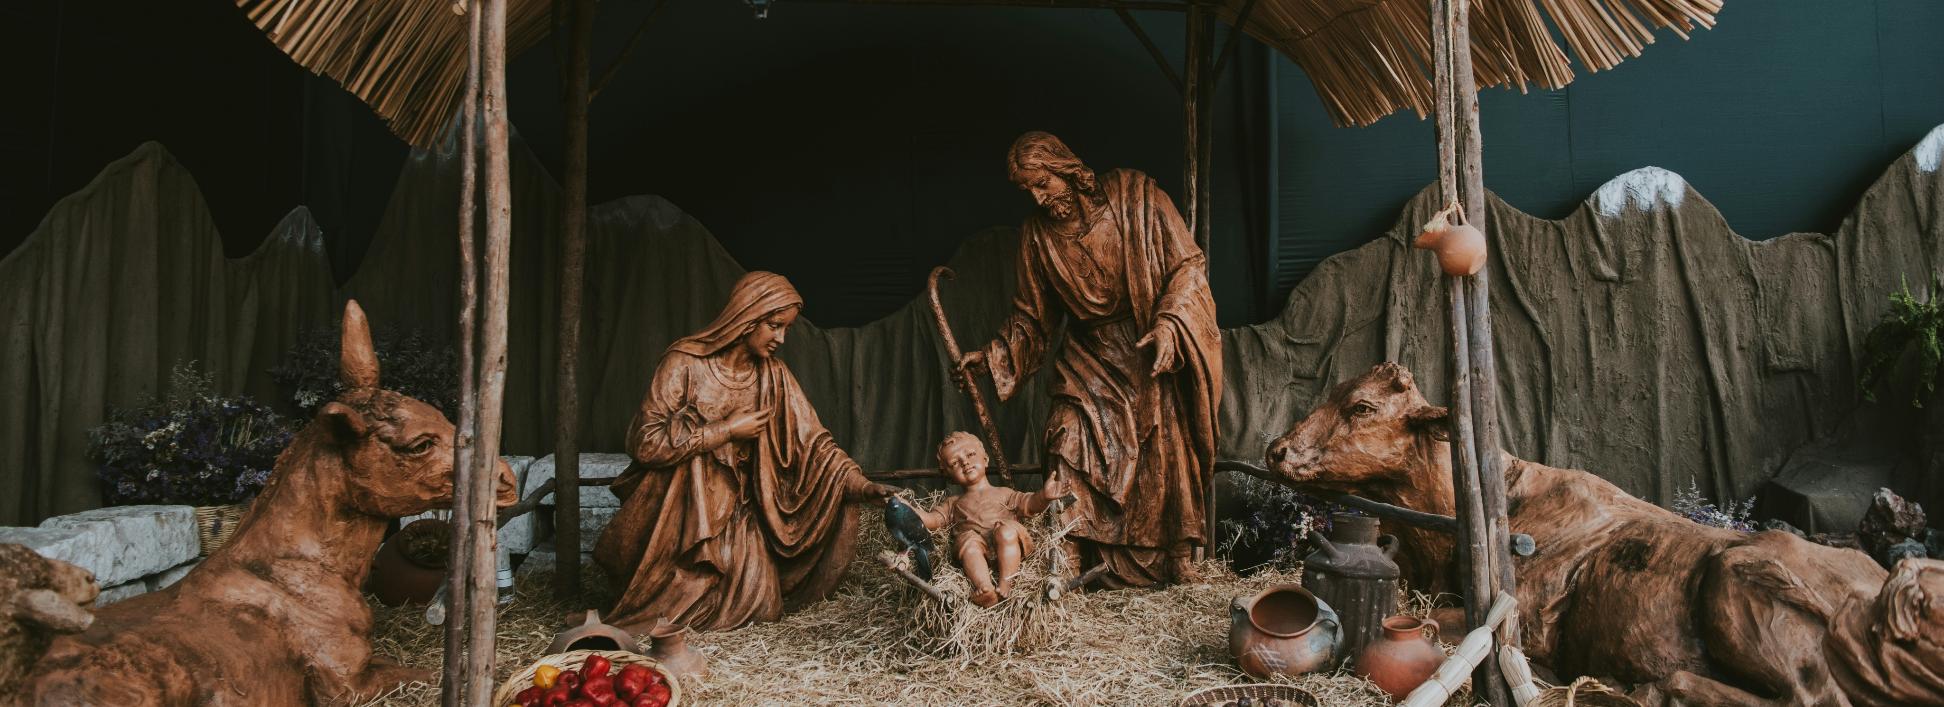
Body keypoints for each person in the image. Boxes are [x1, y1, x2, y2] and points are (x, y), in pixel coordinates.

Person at [957, 131, 1222, 587]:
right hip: (1087, 355)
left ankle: (1177, 555)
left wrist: (1169, 325)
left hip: (1145, 341)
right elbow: (1032, 318)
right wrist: (994, 356)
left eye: (1044, 184)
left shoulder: (1136, 197)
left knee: (1165, 434)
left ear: (1064, 168)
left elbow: (1187, 265)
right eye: (1030, 192)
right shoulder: (1036, 238)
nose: (1040, 199)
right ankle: (1071, 552)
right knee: (1067, 437)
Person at [594, 271, 897, 632]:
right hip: (682, 517)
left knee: (763, 609)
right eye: (774, 326)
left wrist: (861, 486)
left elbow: (814, 443)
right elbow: (646, 443)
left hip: (739, 514)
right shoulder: (685, 363)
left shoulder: (773, 376)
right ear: (747, 317)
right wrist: (724, 431)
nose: (781, 338)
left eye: (786, 329)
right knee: (671, 614)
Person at [911, 432, 1066, 607]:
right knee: (967, 540)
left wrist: (1044, 496)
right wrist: (907, 509)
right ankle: (985, 587)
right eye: (955, 463)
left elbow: (1030, 504)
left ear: (985, 459)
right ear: (949, 475)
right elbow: (933, 520)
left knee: (1006, 530)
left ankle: (1006, 582)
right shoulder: (954, 503)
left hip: (1008, 545)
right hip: (977, 550)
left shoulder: (1005, 493)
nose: (965, 462)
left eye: (970, 455)